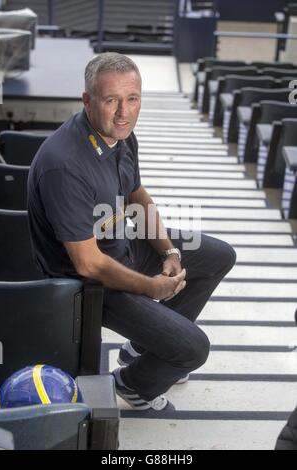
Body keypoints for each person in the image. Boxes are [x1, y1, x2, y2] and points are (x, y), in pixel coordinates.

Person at [27, 52, 236, 411]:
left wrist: (169, 252)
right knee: (194, 348)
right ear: (88, 101)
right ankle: (132, 387)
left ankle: (142, 349)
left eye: (133, 99)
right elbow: (89, 264)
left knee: (217, 255)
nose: (124, 112)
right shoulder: (65, 164)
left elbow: (136, 196)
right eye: (111, 101)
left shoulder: (120, 135)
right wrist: (152, 288)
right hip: (85, 283)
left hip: (118, 245)